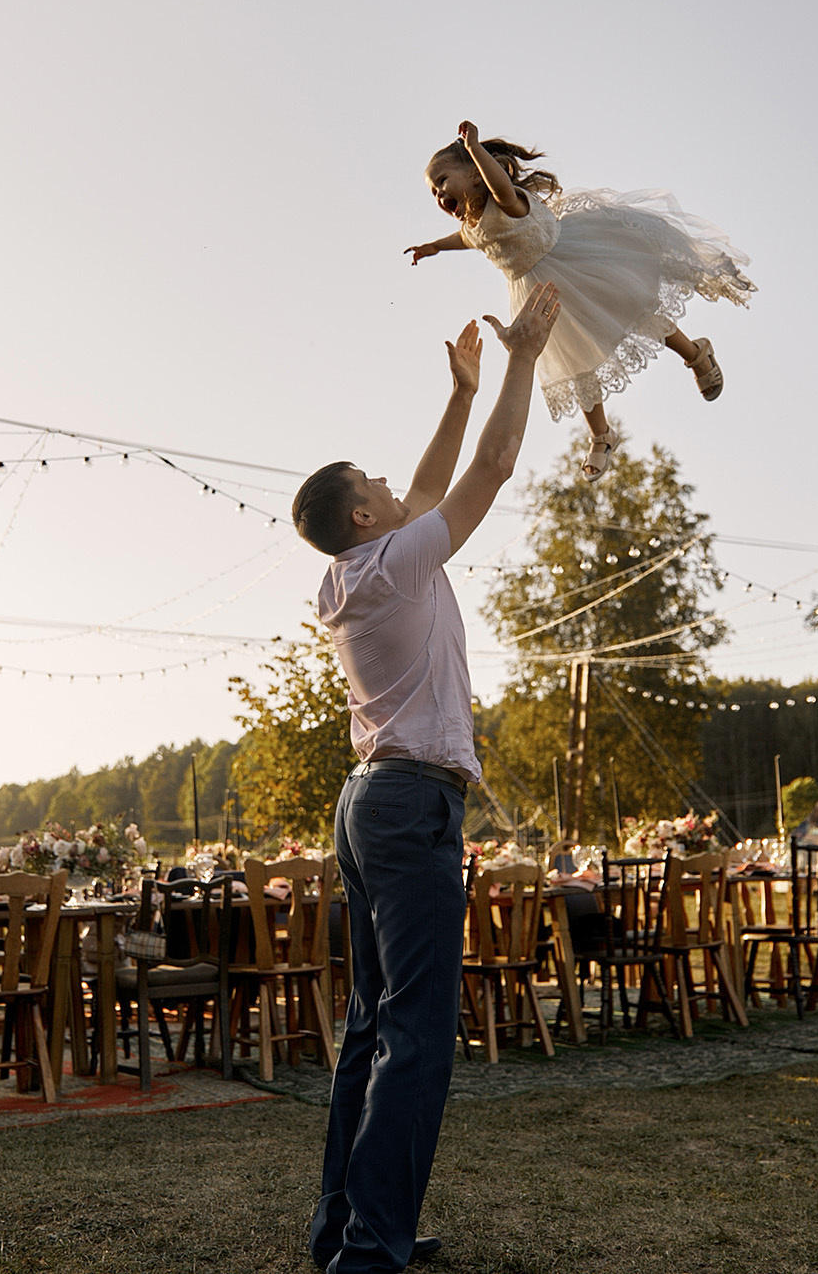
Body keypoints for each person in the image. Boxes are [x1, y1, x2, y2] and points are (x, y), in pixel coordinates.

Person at [293, 281, 561, 1274]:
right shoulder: (396, 564)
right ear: (362, 512)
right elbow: (487, 471)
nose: (393, 488)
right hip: (408, 807)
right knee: (414, 1034)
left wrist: (458, 389)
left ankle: (352, 1229)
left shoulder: (351, 572)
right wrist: (524, 358)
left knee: (372, 1026)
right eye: (374, 484)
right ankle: (369, 1249)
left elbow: (425, 487)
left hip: (368, 804)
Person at [406, 120, 756, 479]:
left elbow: (499, 187)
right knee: (574, 362)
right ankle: (601, 435)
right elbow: (465, 239)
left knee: (635, 311)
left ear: (476, 175)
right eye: (433, 191)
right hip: (538, 293)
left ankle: (695, 353)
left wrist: (476, 149)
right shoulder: (473, 225)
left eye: (442, 181)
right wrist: (434, 246)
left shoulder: (506, 201)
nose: (438, 195)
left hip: (574, 264)